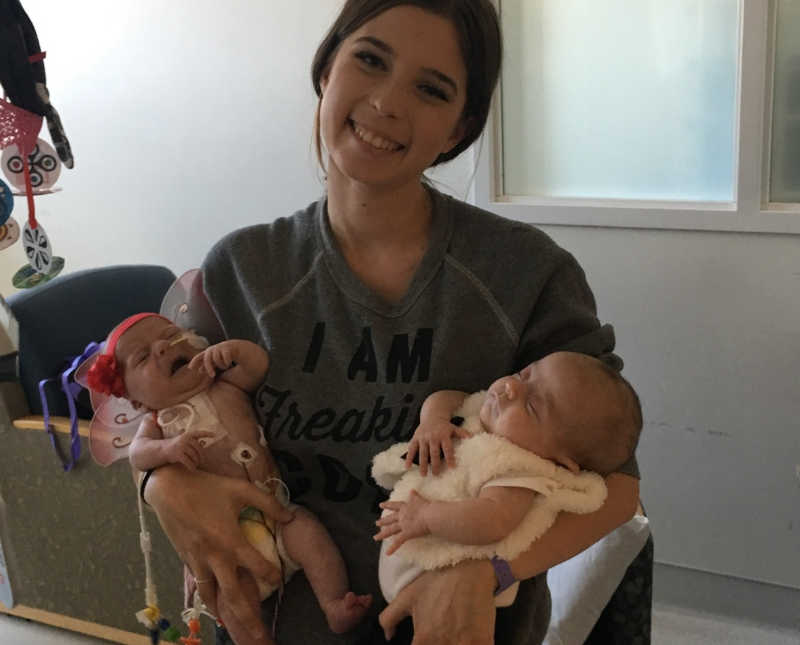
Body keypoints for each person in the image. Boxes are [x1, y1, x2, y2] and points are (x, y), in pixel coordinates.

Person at [141, 2, 642, 644]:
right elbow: (150, 413)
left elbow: (618, 489)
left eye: (430, 89)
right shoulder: (241, 268)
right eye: (370, 60)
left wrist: (489, 569)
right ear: (327, 67)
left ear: (460, 126)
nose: (385, 103)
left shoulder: (527, 274)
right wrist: (162, 483)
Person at [86, 313, 372, 642]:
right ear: (136, 399)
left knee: (308, 533)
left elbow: (258, 366)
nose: (163, 347)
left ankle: (334, 603)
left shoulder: (227, 385)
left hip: (276, 516)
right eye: (143, 356)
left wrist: (236, 351)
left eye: (170, 335)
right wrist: (168, 449)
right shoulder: (159, 422)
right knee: (231, 602)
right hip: (224, 539)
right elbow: (139, 454)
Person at [373, 351, 642, 608]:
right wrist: (433, 420)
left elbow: (492, 521)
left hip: (438, 589)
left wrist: (426, 517)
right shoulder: (489, 412)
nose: (511, 387)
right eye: (524, 374)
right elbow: (449, 397)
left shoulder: (521, 471)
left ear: (562, 462)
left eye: (532, 406)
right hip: (398, 569)